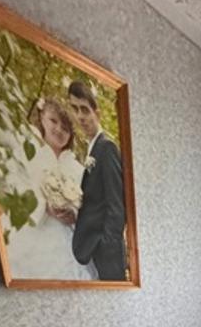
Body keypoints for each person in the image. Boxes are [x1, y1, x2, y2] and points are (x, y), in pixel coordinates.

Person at [7, 98, 98, 281]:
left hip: (68, 236)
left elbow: (88, 205)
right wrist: (45, 206)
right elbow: (14, 187)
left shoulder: (77, 168)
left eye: (65, 128)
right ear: (41, 119)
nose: (59, 129)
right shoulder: (28, 154)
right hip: (34, 231)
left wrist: (74, 215)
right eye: (53, 121)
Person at [65, 80, 127, 281]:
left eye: (85, 109)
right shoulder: (90, 148)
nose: (80, 116)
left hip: (106, 254)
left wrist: (106, 245)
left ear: (97, 113)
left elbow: (117, 206)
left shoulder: (106, 148)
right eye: (75, 109)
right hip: (91, 248)